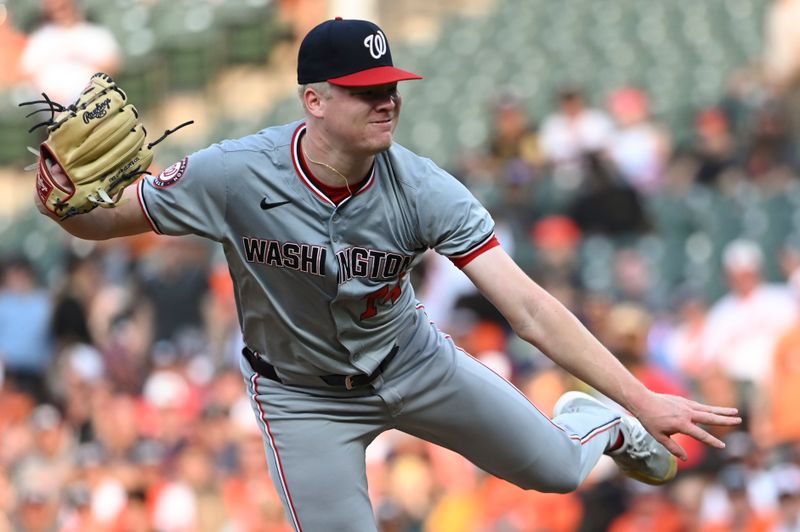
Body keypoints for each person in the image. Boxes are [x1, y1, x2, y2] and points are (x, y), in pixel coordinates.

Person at [34, 18, 741, 531]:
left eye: (391, 86)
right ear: (314, 101)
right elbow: (105, 221)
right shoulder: (234, 174)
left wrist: (640, 399)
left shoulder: (425, 189)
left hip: (413, 364)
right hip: (302, 399)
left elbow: (527, 307)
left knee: (557, 472)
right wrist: (59, 204)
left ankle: (602, 427)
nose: (387, 101)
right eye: (365, 90)